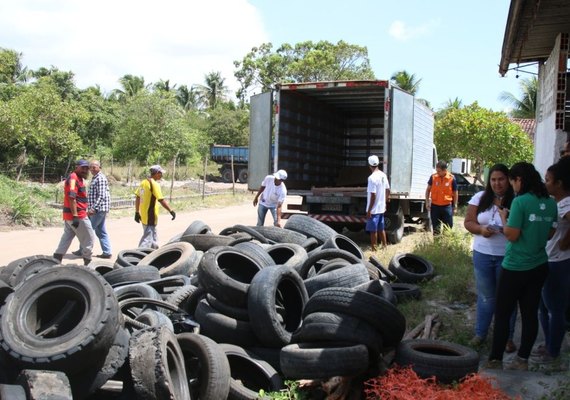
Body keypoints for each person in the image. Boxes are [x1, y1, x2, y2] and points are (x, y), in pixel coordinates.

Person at [486, 162, 557, 371]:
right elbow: (550, 234)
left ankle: (495, 359)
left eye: (512, 181)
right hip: (539, 265)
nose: (511, 186)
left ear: (519, 180)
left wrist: (504, 218)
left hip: (515, 267)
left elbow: (512, 235)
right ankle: (522, 360)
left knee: (502, 314)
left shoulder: (520, 202)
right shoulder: (551, 202)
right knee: (529, 314)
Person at [463, 164, 517, 352]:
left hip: (508, 256)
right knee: (486, 297)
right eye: (493, 180)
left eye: (501, 179)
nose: (497, 183)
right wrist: (480, 229)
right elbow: (468, 222)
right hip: (483, 254)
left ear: (508, 180)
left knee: (507, 298)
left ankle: (508, 338)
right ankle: (480, 334)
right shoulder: (479, 198)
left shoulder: (516, 199)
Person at [534, 157, 570, 365]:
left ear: (559, 184)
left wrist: (566, 242)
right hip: (548, 259)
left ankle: (553, 351)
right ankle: (549, 344)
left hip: (558, 262)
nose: (545, 183)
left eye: (548, 180)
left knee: (555, 309)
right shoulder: (555, 202)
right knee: (544, 307)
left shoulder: (565, 203)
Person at [53, 159, 96, 265]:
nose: (85, 170)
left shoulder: (79, 178)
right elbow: (72, 198)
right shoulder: (73, 178)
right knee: (89, 237)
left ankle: (56, 258)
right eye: (83, 168)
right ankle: (88, 261)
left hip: (71, 215)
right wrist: (76, 216)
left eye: (87, 168)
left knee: (67, 237)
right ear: (76, 167)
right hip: (76, 216)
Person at [72, 160, 112, 258]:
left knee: (87, 230)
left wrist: (94, 208)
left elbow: (101, 195)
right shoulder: (95, 178)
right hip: (99, 209)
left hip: (98, 209)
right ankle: (107, 252)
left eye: (94, 167)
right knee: (101, 231)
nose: (92, 169)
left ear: (99, 167)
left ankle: (83, 251)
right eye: (91, 167)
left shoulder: (100, 178)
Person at [134, 165, 176, 249]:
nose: (161, 175)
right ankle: (138, 255)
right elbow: (161, 199)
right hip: (150, 215)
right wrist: (171, 210)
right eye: (160, 173)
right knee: (147, 238)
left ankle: (155, 253)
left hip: (144, 215)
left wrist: (137, 212)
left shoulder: (144, 182)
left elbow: (138, 197)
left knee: (153, 237)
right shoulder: (154, 184)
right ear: (156, 173)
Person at [425, 160, 458, 234]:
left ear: (445, 170)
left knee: (448, 228)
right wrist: (427, 202)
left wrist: (455, 206)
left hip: (446, 207)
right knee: (436, 229)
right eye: (437, 170)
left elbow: (455, 193)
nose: (437, 173)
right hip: (435, 207)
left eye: (439, 171)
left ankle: (446, 244)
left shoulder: (451, 178)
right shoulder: (433, 177)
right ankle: (436, 244)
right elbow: (428, 190)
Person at [366, 155, 390, 251]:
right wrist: (384, 202)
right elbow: (388, 190)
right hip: (381, 208)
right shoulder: (383, 175)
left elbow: (373, 195)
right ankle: (384, 247)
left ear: (369, 165)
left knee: (373, 230)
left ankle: (374, 249)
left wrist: (369, 210)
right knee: (381, 229)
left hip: (374, 210)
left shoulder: (371, 178)